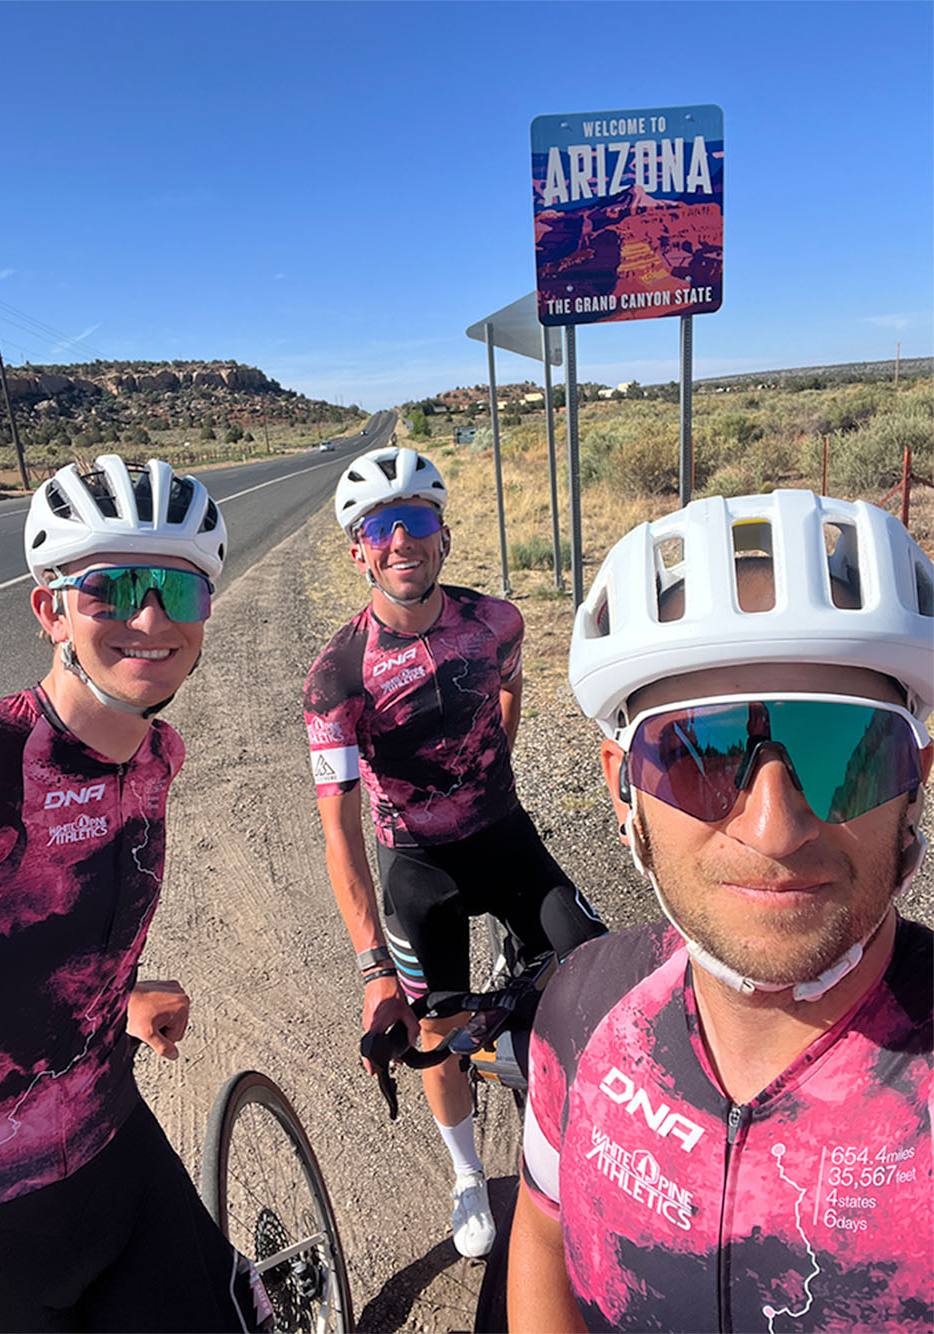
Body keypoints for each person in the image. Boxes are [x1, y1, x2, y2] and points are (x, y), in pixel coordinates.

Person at [508, 489, 933, 1332]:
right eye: (700, 755)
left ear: (915, 781)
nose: (775, 829)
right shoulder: (581, 1006)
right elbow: (542, 1232)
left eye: (844, 750)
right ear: (622, 791)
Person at [0, 456, 272, 1333]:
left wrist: (112, 997)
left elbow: (33, 937)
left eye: (178, 590)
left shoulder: (158, 760)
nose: (150, 618)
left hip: (107, 1138)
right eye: (110, 590)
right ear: (50, 610)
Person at [304, 445, 605, 1258]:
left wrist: (491, 767)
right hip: (418, 865)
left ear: (443, 534)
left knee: (597, 965)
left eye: (418, 520)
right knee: (439, 1028)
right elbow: (338, 826)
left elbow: (509, 687)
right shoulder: (336, 677)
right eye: (382, 526)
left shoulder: (497, 621)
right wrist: (373, 975)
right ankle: (469, 1174)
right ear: (359, 548)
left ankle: (567, 1122)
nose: (403, 540)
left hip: (503, 836)